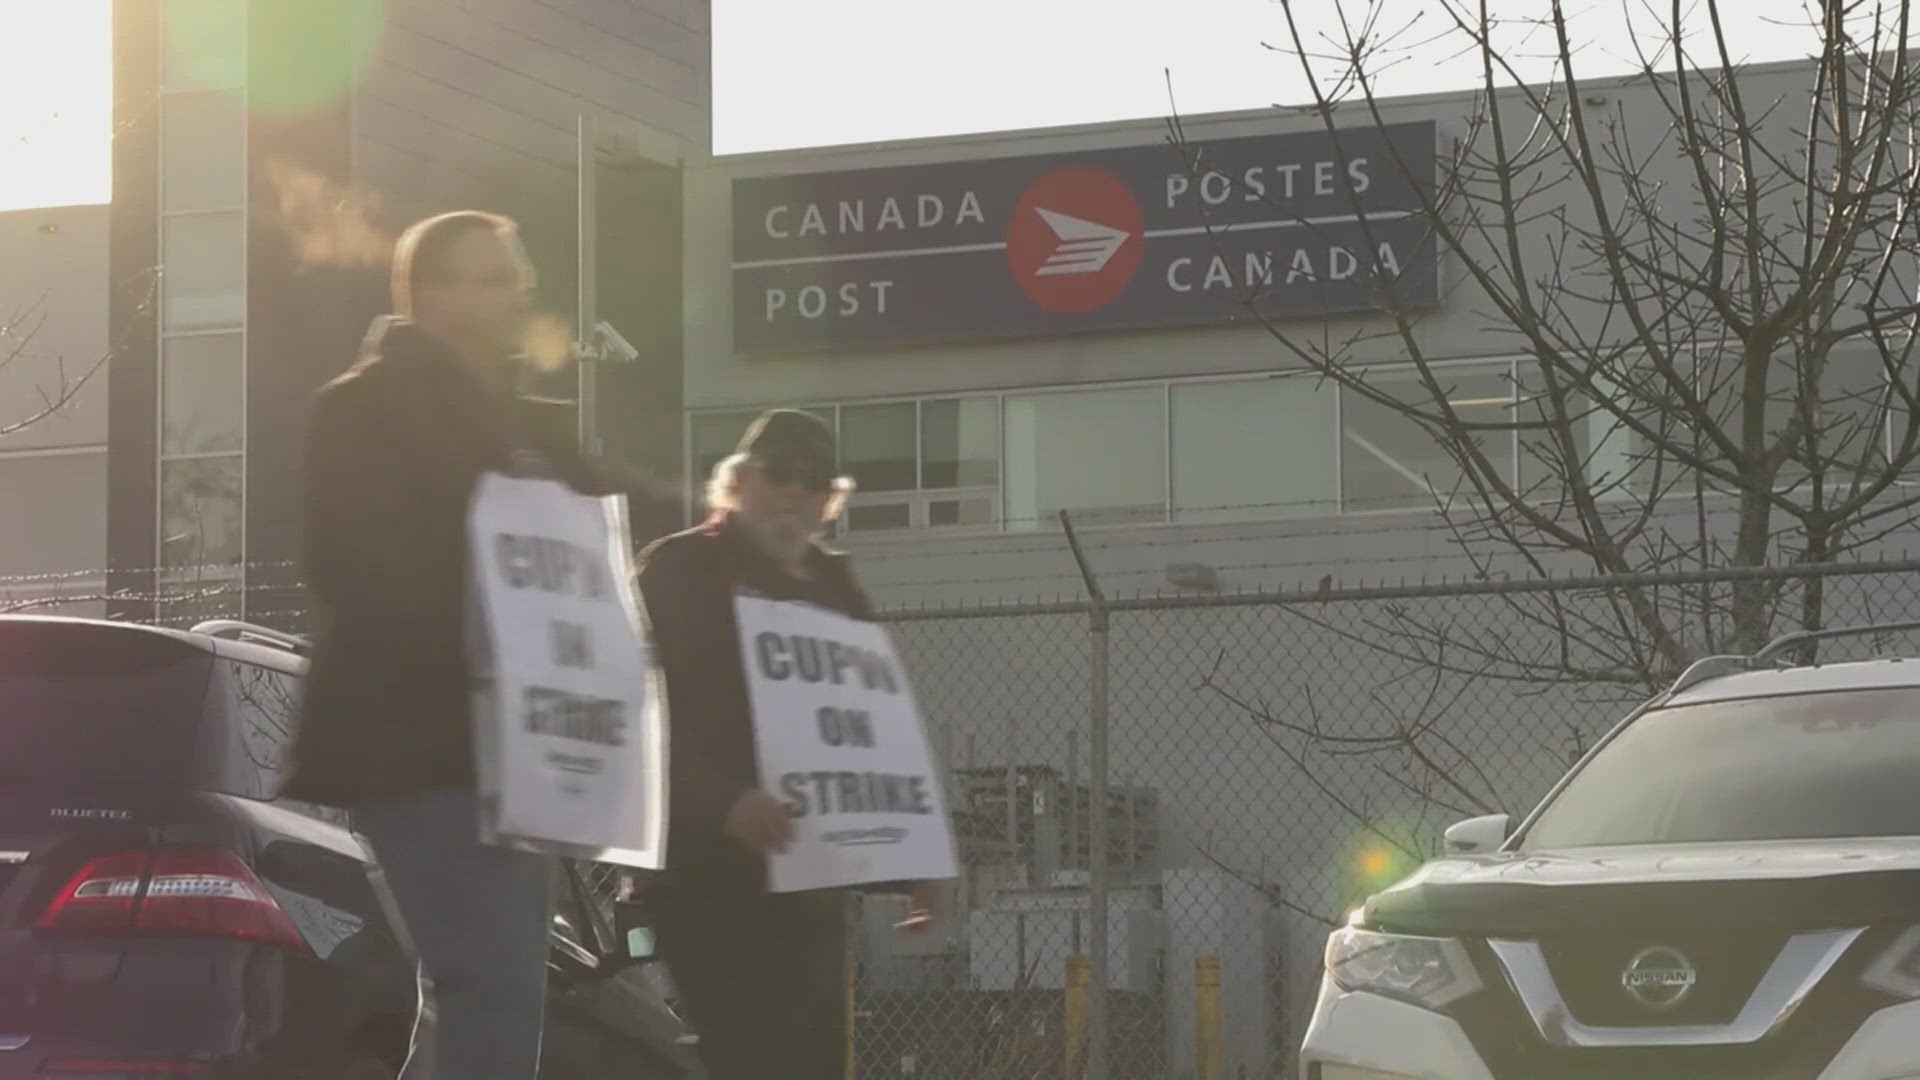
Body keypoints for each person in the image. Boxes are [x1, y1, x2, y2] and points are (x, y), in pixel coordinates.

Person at [283, 210, 618, 1079]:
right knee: (490, 985)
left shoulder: (529, 430)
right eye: (497, 276)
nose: (519, 294)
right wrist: (498, 629)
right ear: (433, 293)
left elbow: (611, 537)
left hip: (517, 750)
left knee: (480, 990)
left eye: (518, 278)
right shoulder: (359, 410)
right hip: (418, 750)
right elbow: (351, 569)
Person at [637, 408, 933, 1080]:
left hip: (807, 878)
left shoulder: (833, 587)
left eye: (813, 482)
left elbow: (873, 727)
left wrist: (920, 851)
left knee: (817, 1061)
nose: (794, 493)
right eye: (779, 475)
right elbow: (633, 714)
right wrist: (721, 801)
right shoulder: (679, 572)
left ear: (830, 500)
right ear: (737, 482)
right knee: (753, 1058)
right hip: (704, 877)